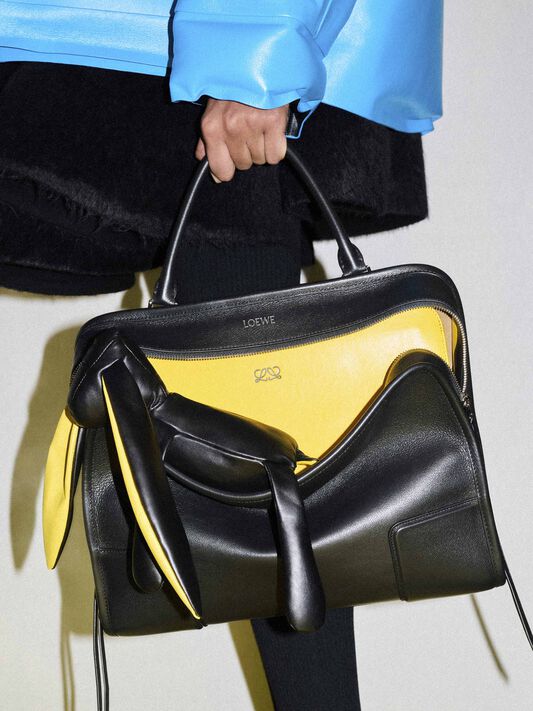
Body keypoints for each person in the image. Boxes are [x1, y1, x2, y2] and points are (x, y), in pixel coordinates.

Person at [0, 2, 443, 709]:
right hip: (144, 35)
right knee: (258, 421)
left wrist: (253, 50)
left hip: (214, 39)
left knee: (259, 419)